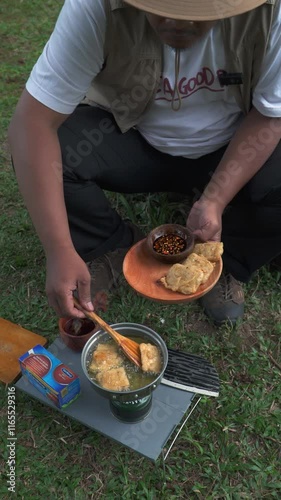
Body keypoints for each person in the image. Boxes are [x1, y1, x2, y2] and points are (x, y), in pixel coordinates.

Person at [8, 0, 281, 325]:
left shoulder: (270, 11)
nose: (179, 23)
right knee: (50, 150)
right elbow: (33, 124)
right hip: (134, 139)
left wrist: (215, 199)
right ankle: (106, 245)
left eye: (195, 12)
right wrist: (59, 250)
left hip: (228, 147)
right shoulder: (97, 6)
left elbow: (270, 116)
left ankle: (226, 262)